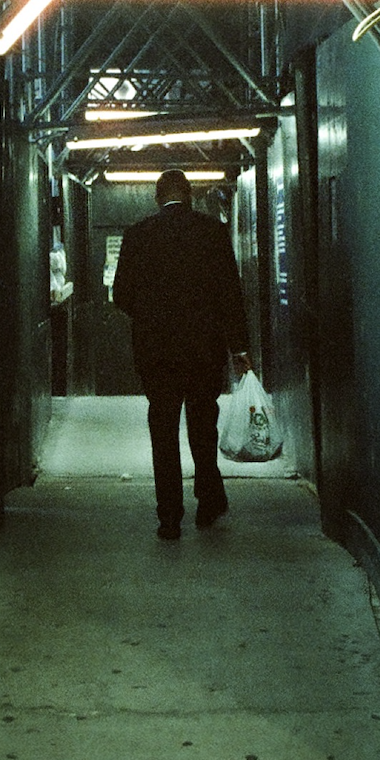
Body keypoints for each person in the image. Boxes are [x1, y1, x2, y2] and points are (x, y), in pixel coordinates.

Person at [112, 168, 251, 540]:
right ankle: (207, 503)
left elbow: (120, 295)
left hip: (156, 355)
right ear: (189, 195)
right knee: (202, 429)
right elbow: (229, 295)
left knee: (163, 432)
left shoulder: (137, 235)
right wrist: (239, 347)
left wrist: (150, 318)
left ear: (157, 197)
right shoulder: (213, 233)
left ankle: (169, 518)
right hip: (204, 353)